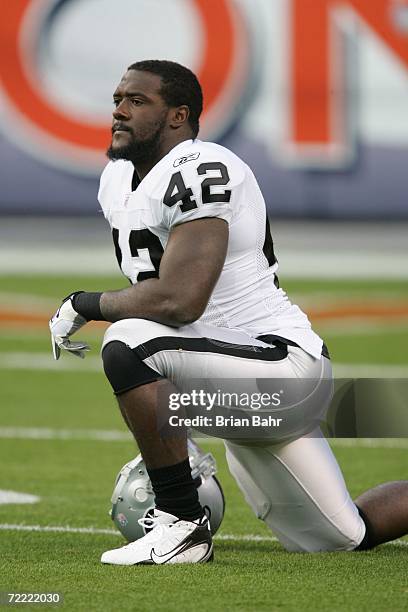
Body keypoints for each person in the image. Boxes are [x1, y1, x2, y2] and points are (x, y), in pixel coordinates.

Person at [49, 60, 408, 565]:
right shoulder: (117, 178)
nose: (119, 112)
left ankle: (182, 523)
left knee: (129, 341)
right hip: (235, 389)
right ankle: (181, 453)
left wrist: (83, 303)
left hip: (282, 372)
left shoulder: (200, 166)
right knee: (341, 535)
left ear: (178, 116)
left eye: (136, 101)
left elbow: (179, 301)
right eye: (116, 100)